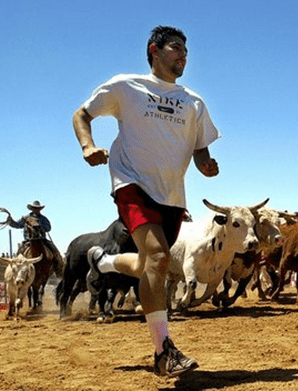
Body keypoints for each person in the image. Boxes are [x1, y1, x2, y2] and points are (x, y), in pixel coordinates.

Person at [72, 26, 220, 377]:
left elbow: (201, 150)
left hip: (171, 194)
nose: (184, 54)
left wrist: (207, 166)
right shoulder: (126, 86)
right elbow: (82, 114)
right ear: (154, 50)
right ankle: (163, 351)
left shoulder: (194, 101)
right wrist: (87, 146)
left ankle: (104, 262)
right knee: (157, 256)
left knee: (150, 264)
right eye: (176, 47)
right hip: (131, 183)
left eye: (186, 49)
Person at [7, 200, 64, 274]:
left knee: (54, 250)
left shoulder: (43, 219)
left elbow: (48, 228)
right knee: (19, 253)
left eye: (37, 208)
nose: (36, 210)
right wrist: (10, 221)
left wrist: (41, 228)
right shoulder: (25, 218)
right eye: (34, 208)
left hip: (42, 240)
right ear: (32, 209)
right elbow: (17, 225)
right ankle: (16, 269)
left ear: (40, 209)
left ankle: (58, 268)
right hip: (28, 240)